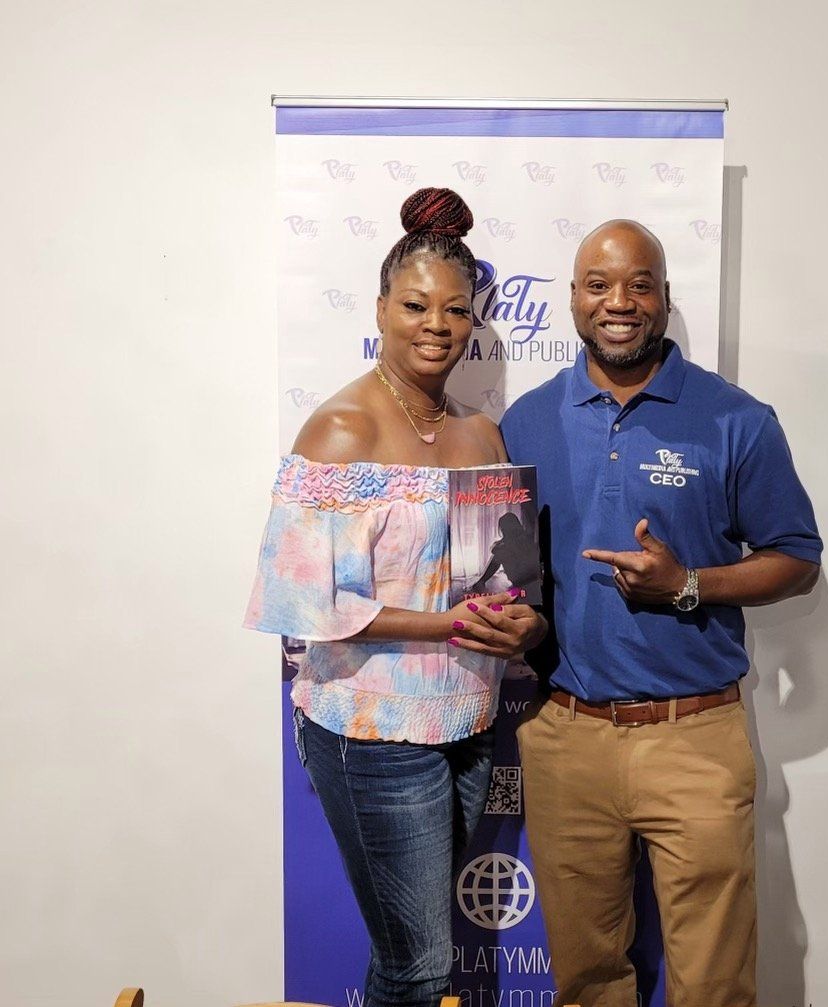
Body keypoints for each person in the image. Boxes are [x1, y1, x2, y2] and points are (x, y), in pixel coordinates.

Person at [500, 220, 823, 1007]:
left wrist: (687, 585)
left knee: (713, 983)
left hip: (695, 740)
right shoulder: (525, 422)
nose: (620, 302)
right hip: (565, 736)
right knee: (586, 982)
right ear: (573, 299)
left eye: (640, 284)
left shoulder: (735, 418)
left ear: (666, 298)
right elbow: (514, 573)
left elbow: (797, 558)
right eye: (599, 285)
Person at [245, 187, 547, 1007]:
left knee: (409, 954)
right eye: (415, 304)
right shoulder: (341, 430)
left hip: (469, 721)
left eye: (455, 309)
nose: (436, 325)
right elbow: (300, 601)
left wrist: (522, 618)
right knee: (419, 965)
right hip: (371, 729)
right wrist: (449, 622)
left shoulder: (480, 434)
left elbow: (507, 573)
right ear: (381, 306)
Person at [468, 512, 541, 598]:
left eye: (503, 529)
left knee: (499, 554)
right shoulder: (527, 538)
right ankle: (481, 581)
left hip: (524, 581)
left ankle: (481, 582)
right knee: (500, 554)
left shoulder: (505, 547)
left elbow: (497, 552)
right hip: (533, 579)